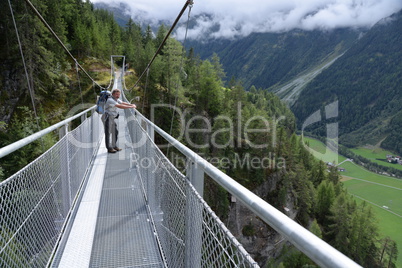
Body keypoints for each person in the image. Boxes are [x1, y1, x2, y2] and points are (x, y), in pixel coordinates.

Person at [102, 88, 136, 153]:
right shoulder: (110, 100)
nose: (118, 96)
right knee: (108, 134)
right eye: (116, 94)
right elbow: (120, 106)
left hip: (111, 118)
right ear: (113, 94)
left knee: (115, 132)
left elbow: (122, 102)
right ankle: (109, 148)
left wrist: (131, 104)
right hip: (107, 118)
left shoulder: (115, 99)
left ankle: (114, 146)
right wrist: (131, 107)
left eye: (119, 94)